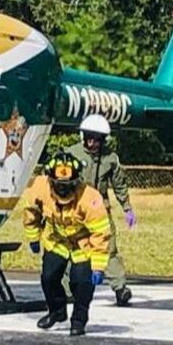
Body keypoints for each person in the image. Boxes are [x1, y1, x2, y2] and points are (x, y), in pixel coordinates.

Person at [23, 151, 111, 336]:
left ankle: (78, 321)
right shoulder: (39, 187)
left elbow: (100, 234)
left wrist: (98, 267)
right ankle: (57, 311)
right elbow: (31, 213)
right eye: (58, 185)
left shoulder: (90, 198)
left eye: (67, 186)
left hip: (83, 245)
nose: (62, 190)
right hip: (56, 241)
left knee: (81, 284)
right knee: (48, 278)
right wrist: (33, 238)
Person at [67, 114, 135, 307]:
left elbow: (120, 185)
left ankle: (120, 288)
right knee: (73, 248)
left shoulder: (111, 159)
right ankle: (65, 289)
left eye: (97, 139)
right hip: (77, 210)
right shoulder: (72, 155)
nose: (93, 142)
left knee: (109, 249)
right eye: (90, 138)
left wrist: (127, 209)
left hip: (101, 212)